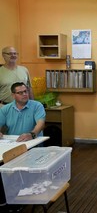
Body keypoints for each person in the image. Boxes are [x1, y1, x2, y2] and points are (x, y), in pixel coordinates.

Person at [0, 82, 45, 212]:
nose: (25, 94)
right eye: (20, 92)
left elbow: (40, 123)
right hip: (12, 146)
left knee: (16, 169)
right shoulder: (6, 109)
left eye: (25, 91)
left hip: (32, 146)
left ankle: (17, 200)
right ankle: (5, 200)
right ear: (13, 95)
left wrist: (32, 133)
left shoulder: (36, 106)